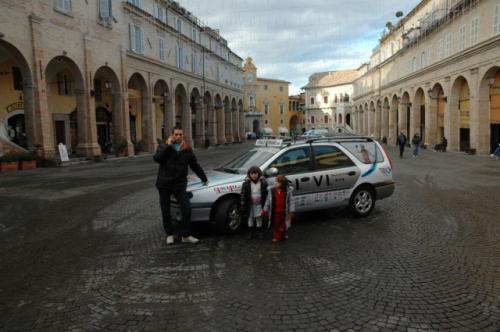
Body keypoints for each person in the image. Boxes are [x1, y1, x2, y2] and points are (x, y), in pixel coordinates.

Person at [154, 126, 208, 245]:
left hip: (179, 184)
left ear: (183, 135)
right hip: (164, 184)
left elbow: (194, 165)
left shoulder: (187, 149)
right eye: (176, 134)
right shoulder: (164, 146)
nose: (178, 136)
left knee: (187, 208)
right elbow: (157, 158)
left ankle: (186, 235)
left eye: (180, 134)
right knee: (166, 211)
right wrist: (167, 146)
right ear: (172, 135)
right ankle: (170, 234)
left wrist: (204, 178)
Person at [262, 175, 295, 243]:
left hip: (284, 212)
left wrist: (291, 211)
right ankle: (276, 236)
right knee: (276, 225)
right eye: (275, 181)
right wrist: (265, 210)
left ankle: (284, 234)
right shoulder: (272, 191)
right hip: (275, 212)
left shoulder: (287, 191)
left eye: (277, 182)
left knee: (284, 224)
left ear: (282, 184)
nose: (275, 183)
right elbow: (268, 201)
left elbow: (291, 201)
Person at [240, 166, 268, 239]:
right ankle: (250, 232)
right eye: (252, 174)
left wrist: (266, 205)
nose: (254, 175)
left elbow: (266, 194)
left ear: (259, 174)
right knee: (250, 218)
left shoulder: (263, 183)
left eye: (256, 173)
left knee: (259, 218)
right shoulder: (246, 184)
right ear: (249, 174)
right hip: (250, 204)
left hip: (259, 204)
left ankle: (259, 232)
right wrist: (243, 205)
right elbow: (243, 195)